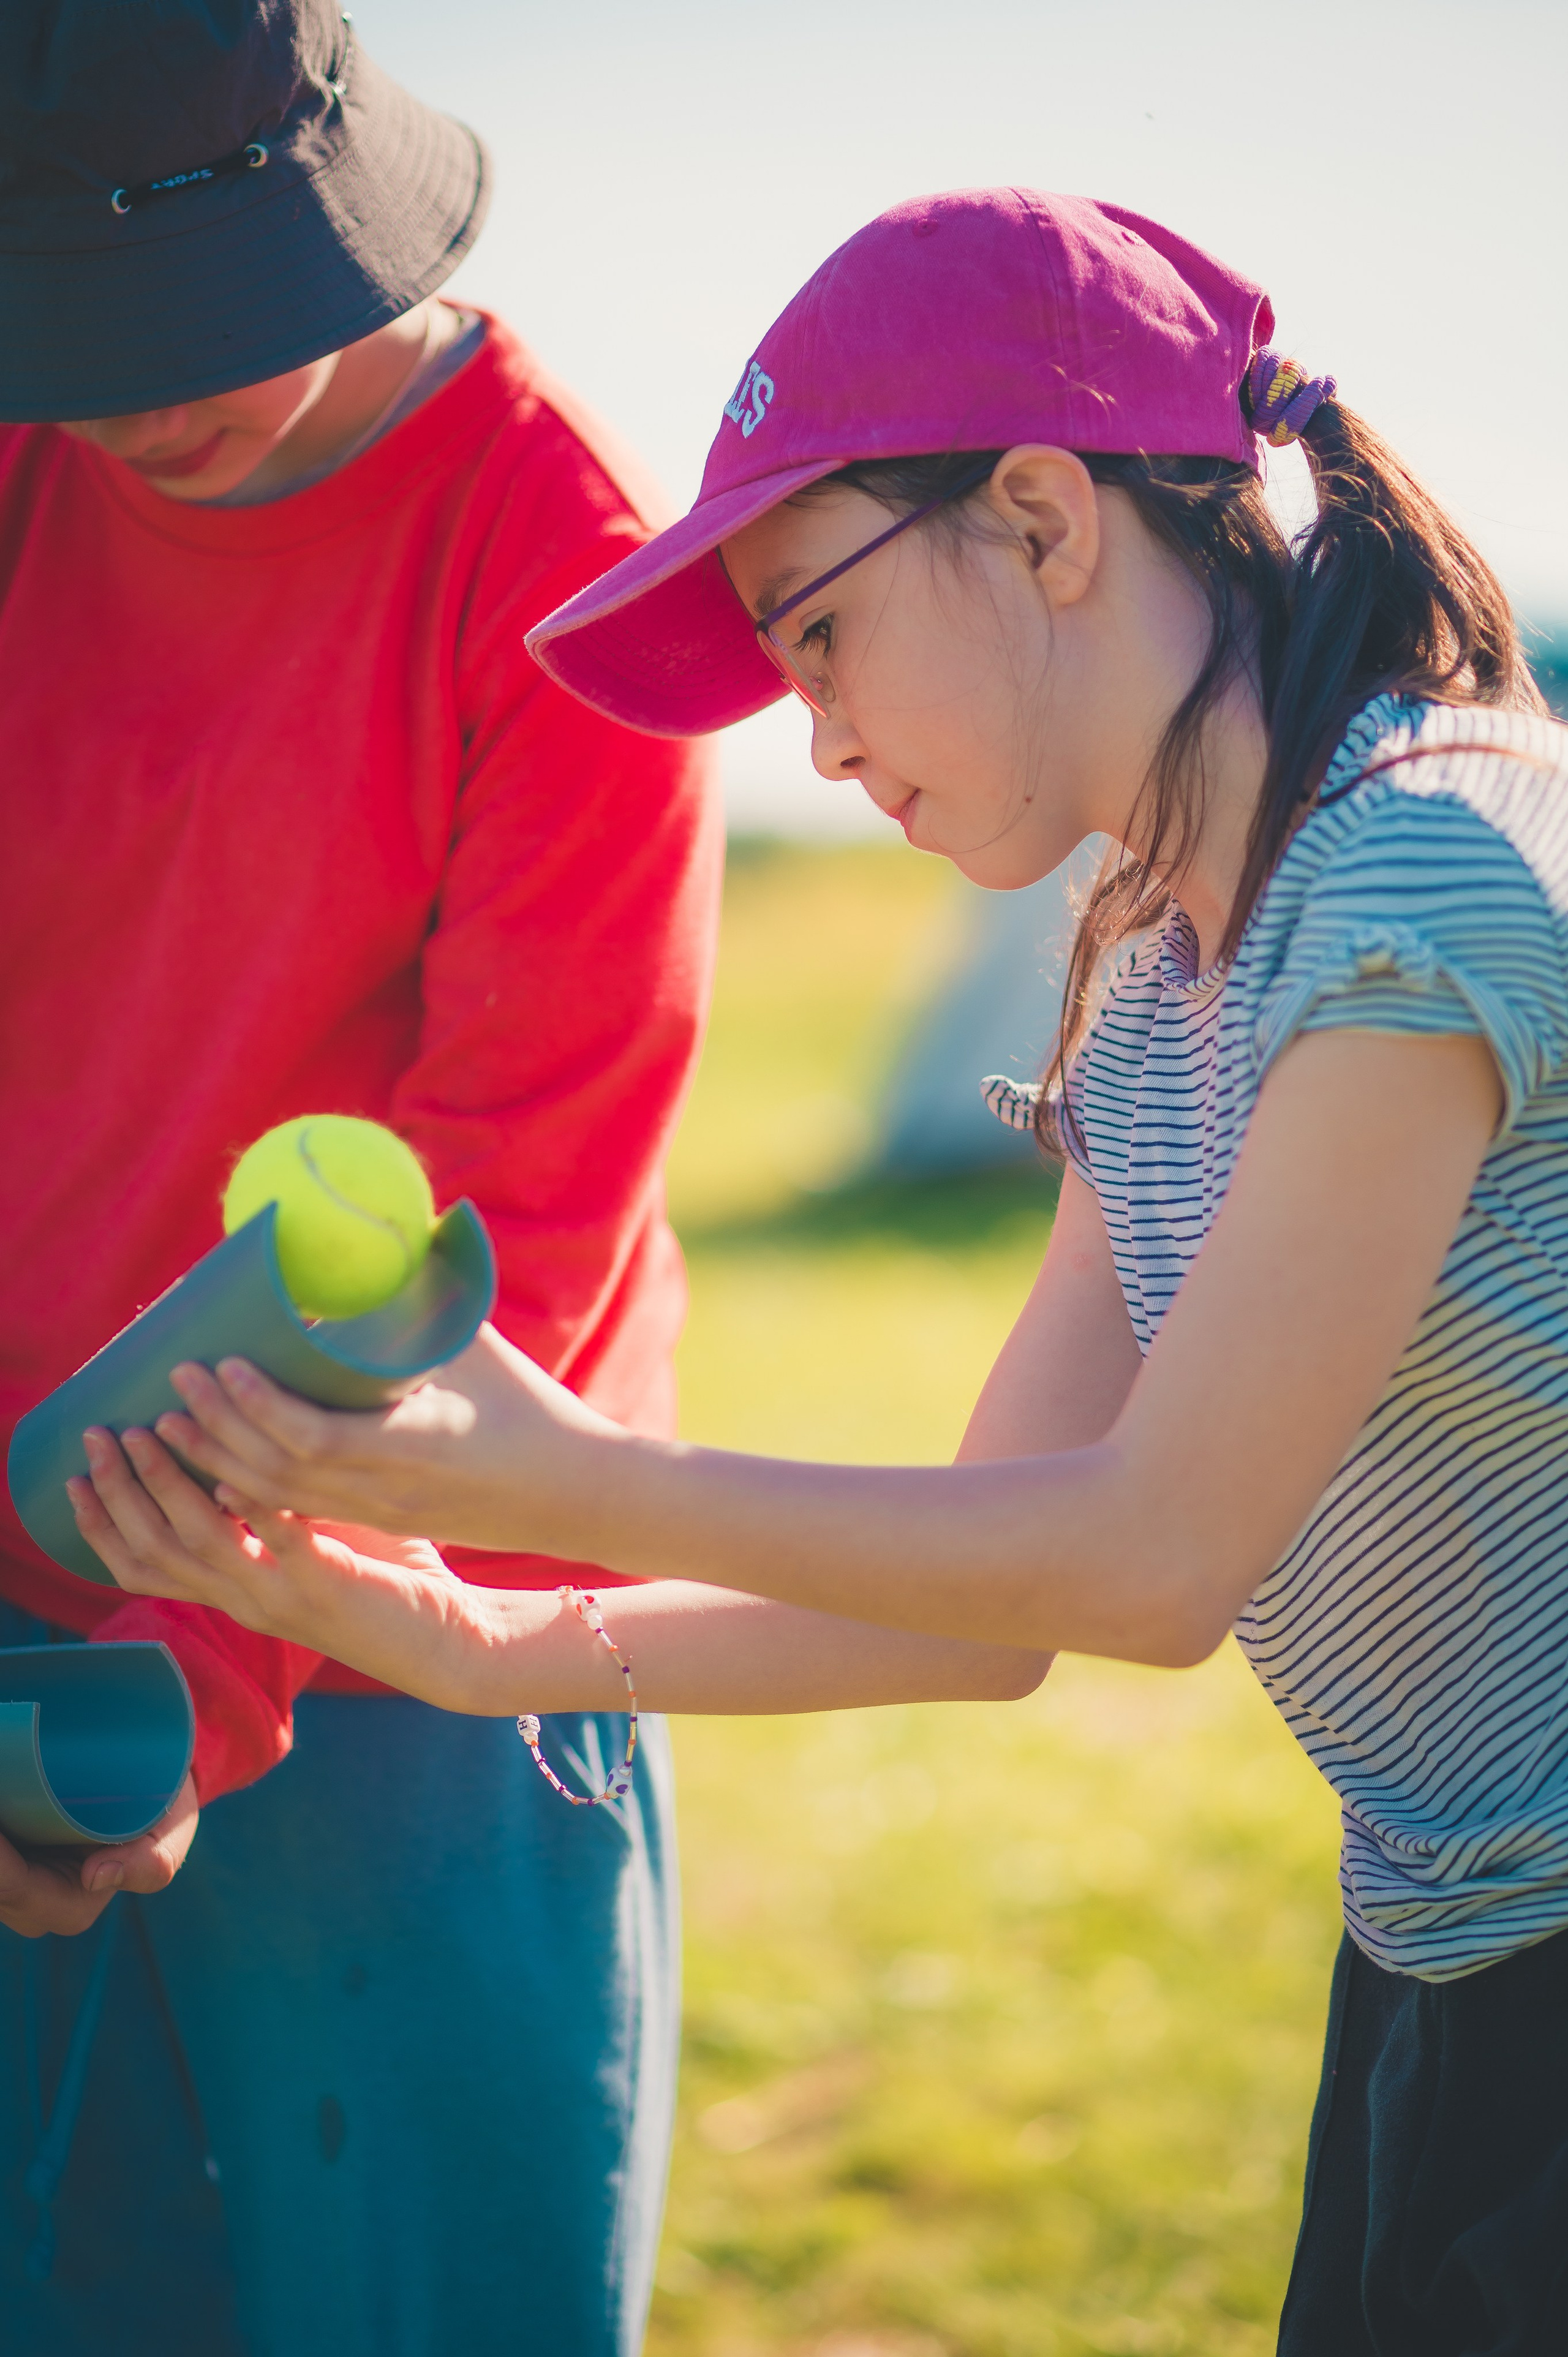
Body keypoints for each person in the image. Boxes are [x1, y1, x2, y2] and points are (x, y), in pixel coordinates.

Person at [76, 183, 1568, 2351]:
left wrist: (563, 1477)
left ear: (1045, 521)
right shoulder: (1157, 965)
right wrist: (480, 1644)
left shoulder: (1423, 855)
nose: (819, 739)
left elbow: (1151, 1563)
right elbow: (993, 1606)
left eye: (816, 632)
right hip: (1442, 1963)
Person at [0, 2, 754, 2350]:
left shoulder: (565, 559)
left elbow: (502, 1220)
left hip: (413, 1636)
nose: (136, 396)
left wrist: (182, 1685)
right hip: (25, 1620)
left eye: (192, 315)